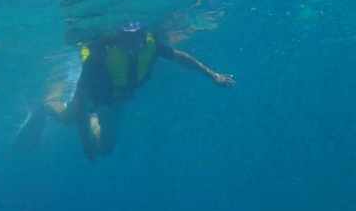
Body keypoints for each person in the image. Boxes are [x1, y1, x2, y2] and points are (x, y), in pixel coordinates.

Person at [13, 22, 234, 159]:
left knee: (105, 148)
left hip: (117, 100)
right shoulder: (99, 55)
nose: (133, 43)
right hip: (90, 98)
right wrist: (85, 141)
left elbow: (181, 57)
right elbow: (79, 100)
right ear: (117, 37)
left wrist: (213, 75)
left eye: (138, 36)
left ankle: (94, 118)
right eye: (126, 37)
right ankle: (46, 104)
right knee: (66, 118)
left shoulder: (151, 46)